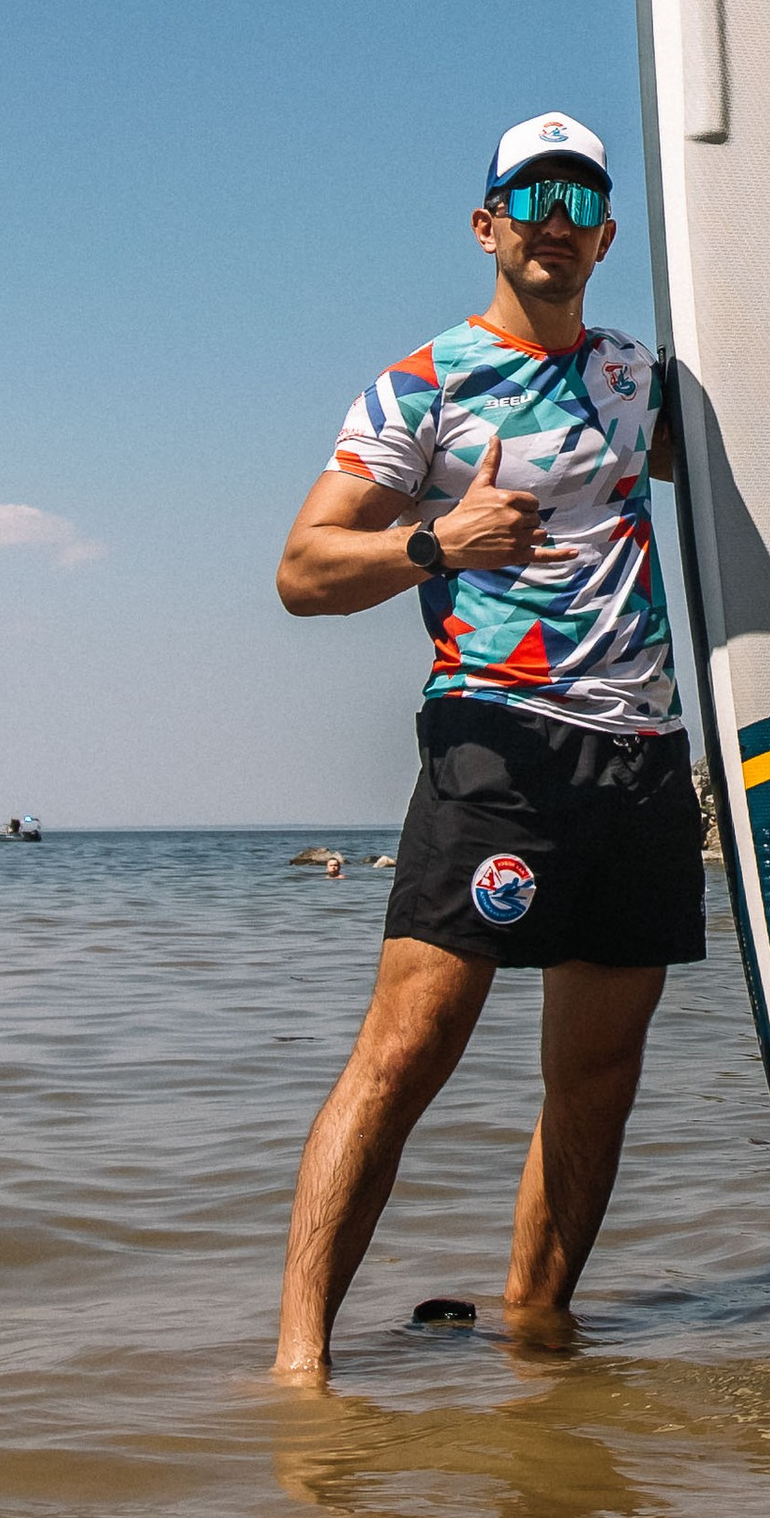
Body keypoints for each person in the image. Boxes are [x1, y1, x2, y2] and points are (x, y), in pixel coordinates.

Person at [267, 117, 695, 1384]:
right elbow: (300, 572)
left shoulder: (644, 380)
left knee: (601, 1072)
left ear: (606, 234)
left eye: (580, 196)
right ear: (488, 224)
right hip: (495, 747)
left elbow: (752, 477)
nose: (554, 215)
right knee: (407, 1050)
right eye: (529, 193)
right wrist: (437, 543)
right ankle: (301, 1366)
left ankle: (535, 1328)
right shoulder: (423, 386)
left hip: (642, 754)